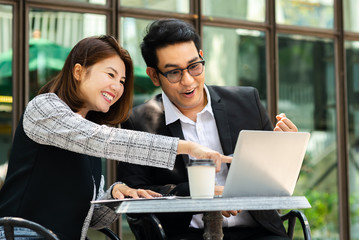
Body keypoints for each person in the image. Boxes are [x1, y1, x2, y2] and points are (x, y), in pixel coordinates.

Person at [0, 35, 230, 240]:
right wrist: (188, 147)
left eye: (121, 80)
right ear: (78, 71)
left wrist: (116, 194)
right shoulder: (44, 107)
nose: (118, 87)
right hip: (22, 234)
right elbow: (102, 139)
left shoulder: (89, 133)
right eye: (110, 74)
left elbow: (92, 220)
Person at [117, 19, 298, 240]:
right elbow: (134, 196)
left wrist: (287, 153)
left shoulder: (247, 101)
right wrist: (197, 193)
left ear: (202, 57)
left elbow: (276, 182)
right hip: (187, 235)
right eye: (173, 72)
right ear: (154, 75)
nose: (188, 80)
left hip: (259, 232)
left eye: (194, 66)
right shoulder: (138, 122)